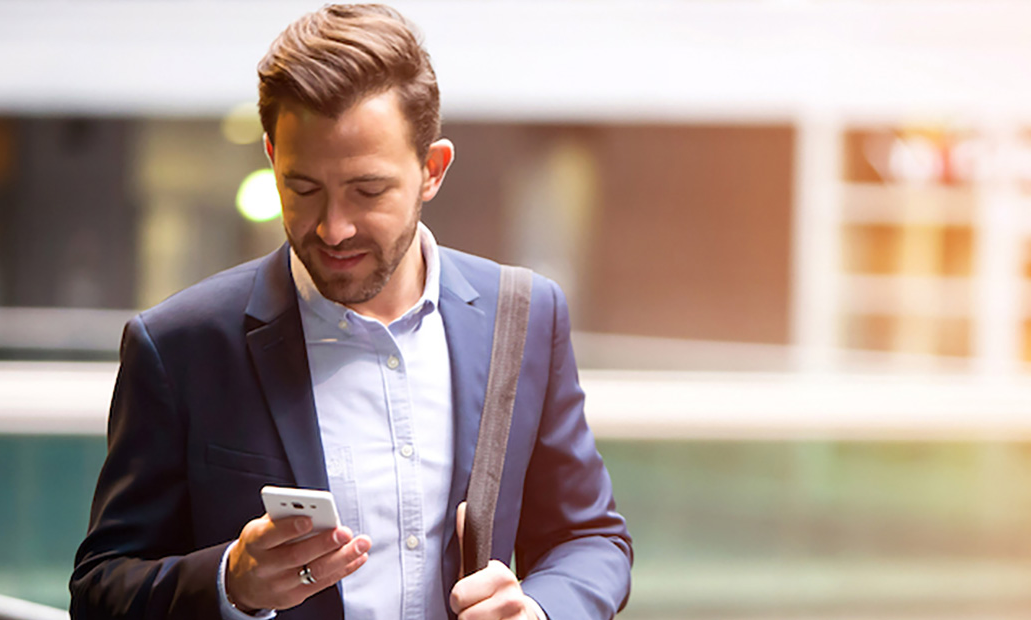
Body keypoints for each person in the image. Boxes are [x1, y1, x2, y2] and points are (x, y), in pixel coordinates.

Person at [70, 4, 632, 619]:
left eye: (368, 191)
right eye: (303, 187)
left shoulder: (524, 315)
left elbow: (590, 540)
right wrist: (232, 585)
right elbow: (100, 589)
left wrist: (541, 613)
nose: (333, 228)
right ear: (271, 157)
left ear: (431, 171)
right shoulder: (180, 345)